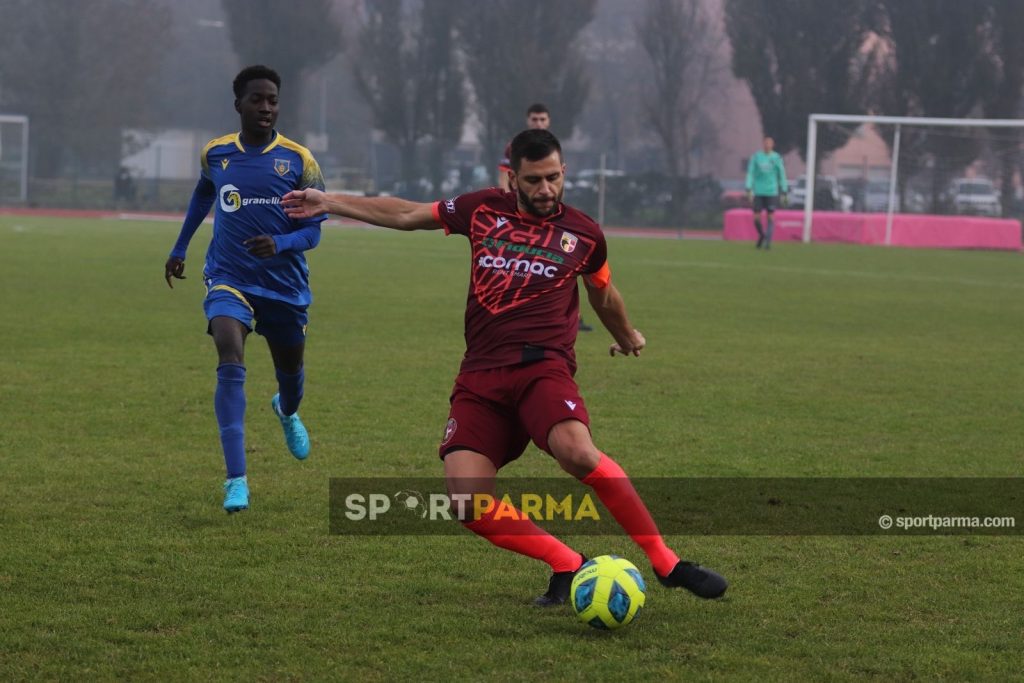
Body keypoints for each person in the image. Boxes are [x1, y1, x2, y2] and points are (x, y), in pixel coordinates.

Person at [282, 129, 727, 605]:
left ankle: (665, 562)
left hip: (543, 368)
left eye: (553, 177)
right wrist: (329, 202)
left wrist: (626, 335)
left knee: (577, 451)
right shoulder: (481, 208)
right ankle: (567, 564)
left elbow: (604, 294)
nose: (545, 189)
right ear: (512, 176)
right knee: (466, 501)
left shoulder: (585, 234)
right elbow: (409, 213)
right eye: (533, 180)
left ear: (564, 172)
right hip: (480, 376)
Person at [164, 65, 327, 513]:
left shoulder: (299, 160)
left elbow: (315, 232)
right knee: (229, 354)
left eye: (273, 100)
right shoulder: (216, 154)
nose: (266, 107)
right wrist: (180, 247)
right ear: (239, 104)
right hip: (228, 277)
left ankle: (287, 409)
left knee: (290, 374)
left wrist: (280, 243)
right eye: (257, 99)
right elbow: (203, 194)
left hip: (284, 287)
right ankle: (236, 480)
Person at [499, 103, 594, 332]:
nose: (538, 123)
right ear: (528, 120)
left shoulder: (553, 147)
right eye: (534, 119)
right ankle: (512, 312)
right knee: (523, 264)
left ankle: (573, 315)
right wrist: (508, 205)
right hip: (522, 217)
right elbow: (504, 177)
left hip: (551, 218)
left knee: (565, 264)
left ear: (548, 121)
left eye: (542, 119)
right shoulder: (516, 147)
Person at [745, 136, 789, 250]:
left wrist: (784, 189)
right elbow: (750, 173)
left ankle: (768, 242)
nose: (767, 145)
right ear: (763, 144)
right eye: (766, 143)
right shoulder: (756, 157)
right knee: (756, 218)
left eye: (770, 143)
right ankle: (762, 235)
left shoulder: (776, 158)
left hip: (772, 192)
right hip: (759, 191)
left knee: (770, 216)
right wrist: (748, 187)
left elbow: (782, 175)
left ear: (772, 145)